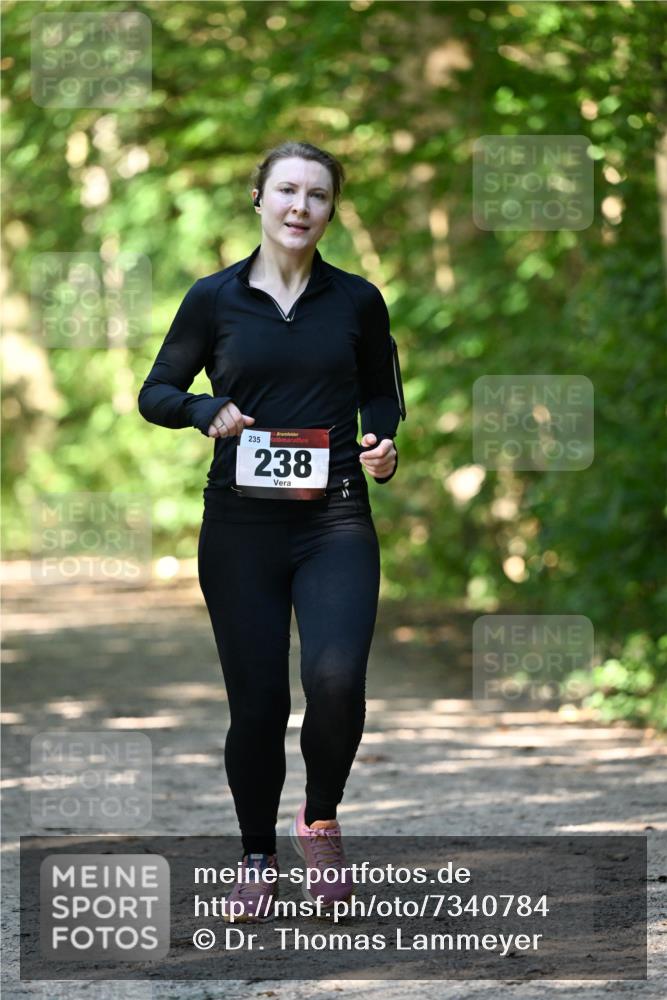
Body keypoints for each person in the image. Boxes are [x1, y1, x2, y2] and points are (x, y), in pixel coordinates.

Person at [138, 140, 407, 922]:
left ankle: (318, 819)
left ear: (329, 211)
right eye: (286, 191)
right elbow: (156, 390)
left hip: (335, 521)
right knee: (256, 705)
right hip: (240, 529)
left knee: (335, 682)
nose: (300, 207)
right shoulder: (212, 299)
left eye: (316, 196)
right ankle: (255, 854)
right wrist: (200, 409)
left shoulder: (357, 300)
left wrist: (384, 445)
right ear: (257, 199)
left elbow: (380, 395)